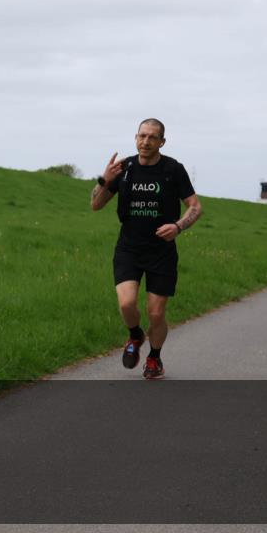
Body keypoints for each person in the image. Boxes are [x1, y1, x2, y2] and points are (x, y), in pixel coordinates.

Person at [90, 119, 202, 380]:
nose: (146, 141)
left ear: (162, 142)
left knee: (156, 313)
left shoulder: (173, 169)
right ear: (135, 137)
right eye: (142, 136)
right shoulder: (124, 169)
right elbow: (95, 205)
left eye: (152, 137)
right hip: (129, 248)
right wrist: (104, 180)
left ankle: (154, 357)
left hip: (161, 251)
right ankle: (135, 335)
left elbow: (195, 206)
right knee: (127, 304)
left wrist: (178, 226)